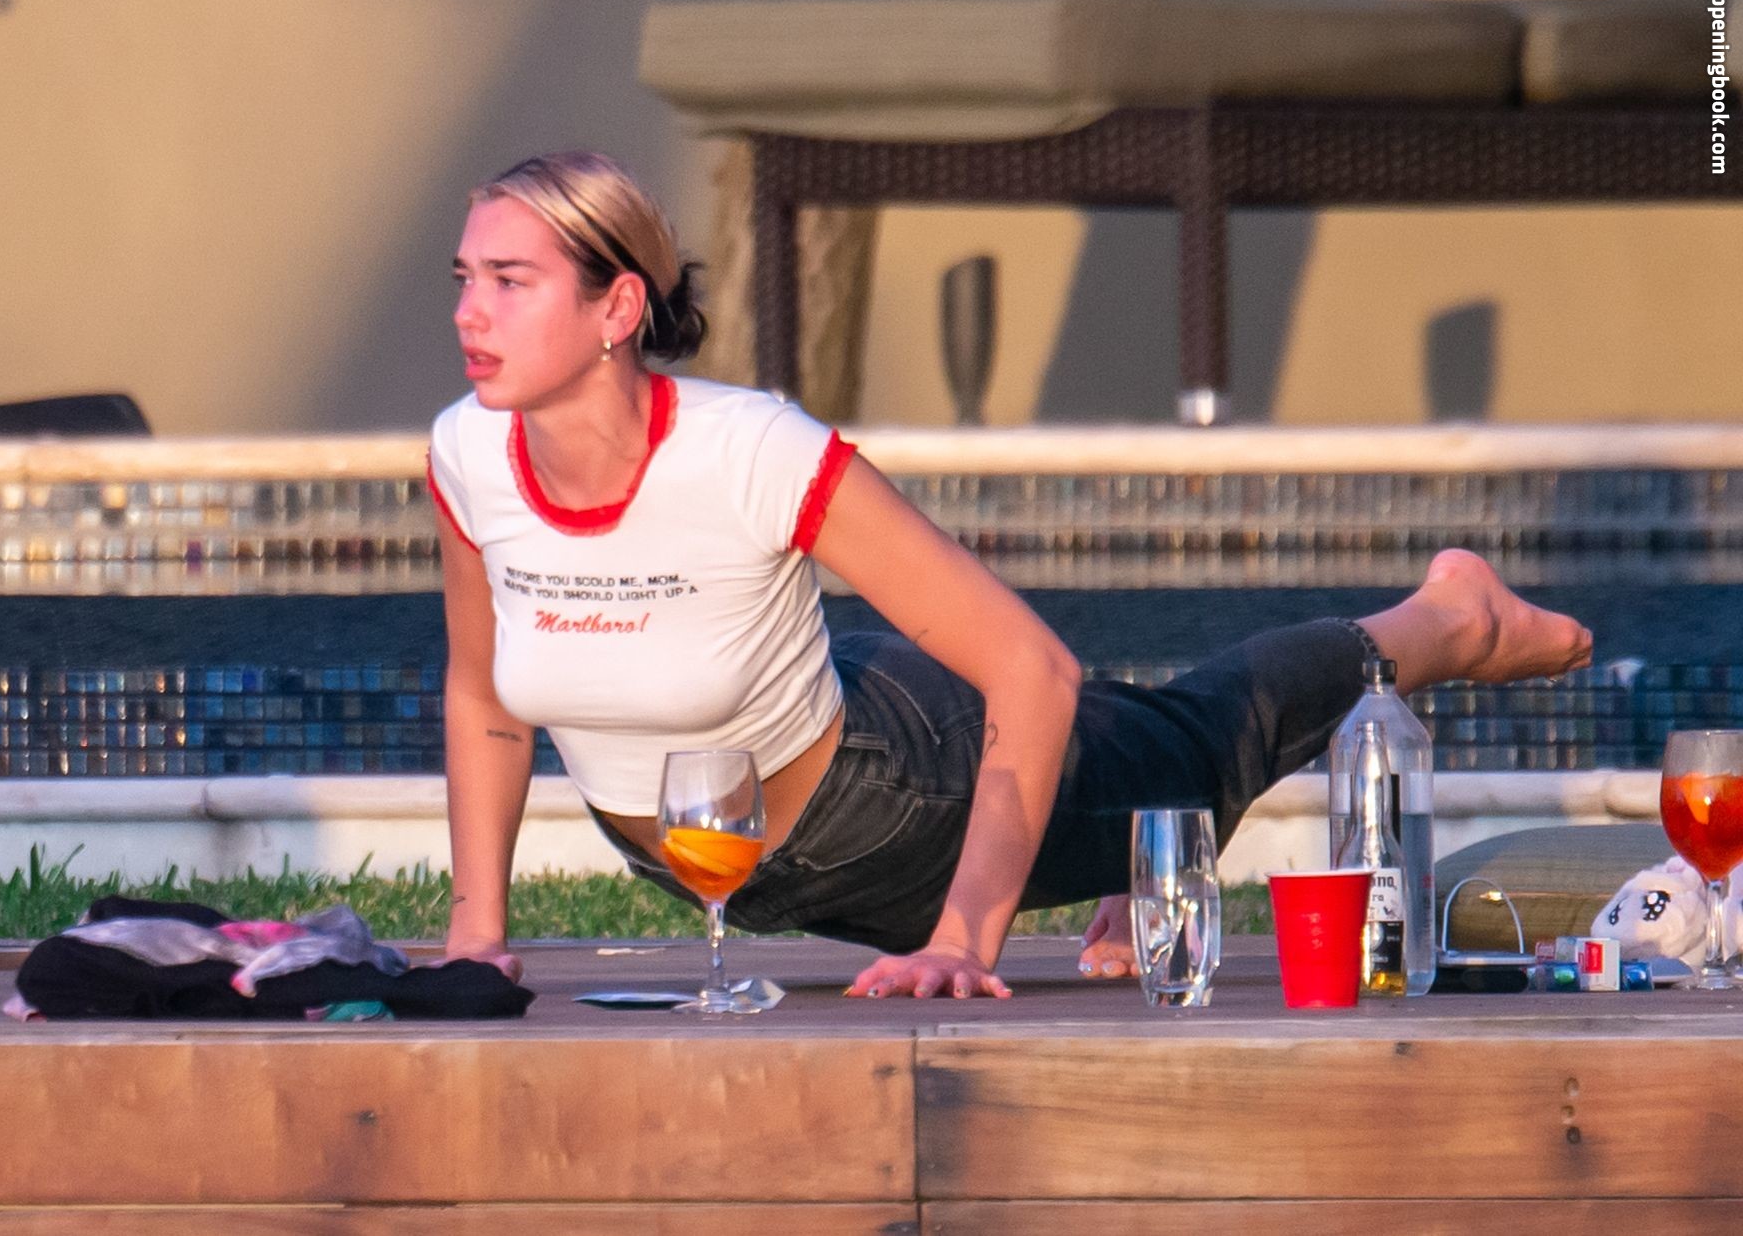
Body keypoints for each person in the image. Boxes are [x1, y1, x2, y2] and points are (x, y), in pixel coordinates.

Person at [428, 151, 1593, 1000]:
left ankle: (1450, 619)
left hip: (894, 803)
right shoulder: (468, 454)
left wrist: (963, 938)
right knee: (1121, 753)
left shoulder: (750, 451)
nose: (471, 313)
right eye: (464, 277)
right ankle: (1131, 851)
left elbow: (1031, 667)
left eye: (509, 281)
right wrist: (477, 934)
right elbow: (484, 696)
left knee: (1190, 746)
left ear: (618, 306)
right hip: (711, 857)